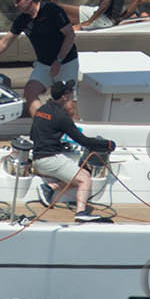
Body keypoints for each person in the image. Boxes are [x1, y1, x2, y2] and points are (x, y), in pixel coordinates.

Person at [0, 0, 78, 113]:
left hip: (65, 62)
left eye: (18, 1)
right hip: (44, 64)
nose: (15, 5)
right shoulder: (22, 19)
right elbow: (5, 42)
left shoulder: (52, 10)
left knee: (68, 106)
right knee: (30, 91)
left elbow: (70, 35)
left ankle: (74, 125)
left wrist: (59, 60)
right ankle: (43, 121)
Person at [29, 81, 116, 222]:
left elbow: (33, 135)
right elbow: (84, 141)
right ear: (65, 96)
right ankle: (81, 213)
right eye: (70, 91)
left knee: (83, 172)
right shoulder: (62, 117)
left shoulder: (42, 110)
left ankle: (50, 187)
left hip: (37, 159)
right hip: (49, 160)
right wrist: (107, 144)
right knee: (84, 179)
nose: (72, 93)